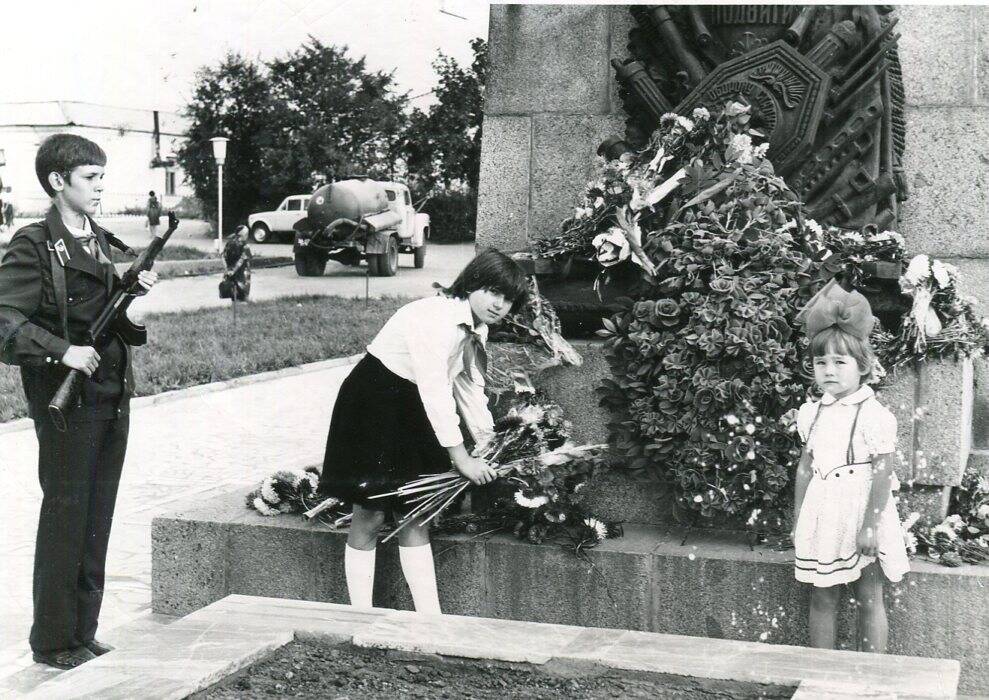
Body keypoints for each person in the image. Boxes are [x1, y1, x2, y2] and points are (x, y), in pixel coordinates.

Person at [0, 134, 158, 669]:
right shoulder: (34, 244)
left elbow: (114, 327)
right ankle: (52, 641)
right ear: (57, 182)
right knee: (67, 517)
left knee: (98, 517)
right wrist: (61, 350)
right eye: (90, 177)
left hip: (112, 396)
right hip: (66, 405)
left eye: (101, 176)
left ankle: (82, 633)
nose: (100, 187)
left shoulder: (100, 240)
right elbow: (5, 323)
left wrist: (135, 315)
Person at [316, 248, 527, 614]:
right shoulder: (437, 318)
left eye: (508, 300)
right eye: (494, 292)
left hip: (412, 408)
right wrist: (460, 458)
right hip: (375, 402)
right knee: (371, 512)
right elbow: (434, 387)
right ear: (473, 282)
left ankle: (429, 621)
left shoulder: (477, 328)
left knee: (416, 511)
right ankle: (360, 617)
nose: (499, 304)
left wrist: (490, 444)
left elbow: (468, 386)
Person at [792, 282, 909, 653]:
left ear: (863, 367)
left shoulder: (873, 415)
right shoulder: (812, 413)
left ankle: (868, 679)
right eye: (820, 362)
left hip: (860, 509)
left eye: (840, 362)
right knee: (822, 596)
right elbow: (805, 469)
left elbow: (882, 472)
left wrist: (871, 525)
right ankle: (822, 678)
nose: (829, 371)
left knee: (869, 596)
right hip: (823, 511)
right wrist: (798, 519)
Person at [219, 225, 252, 301]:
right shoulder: (245, 245)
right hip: (242, 273)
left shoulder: (229, 243)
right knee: (242, 293)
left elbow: (223, 256)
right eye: (247, 234)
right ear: (244, 234)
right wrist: (234, 270)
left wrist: (228, 270)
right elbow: (244, 258)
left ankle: (234, 306)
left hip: (230, 272)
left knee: (233, 292)